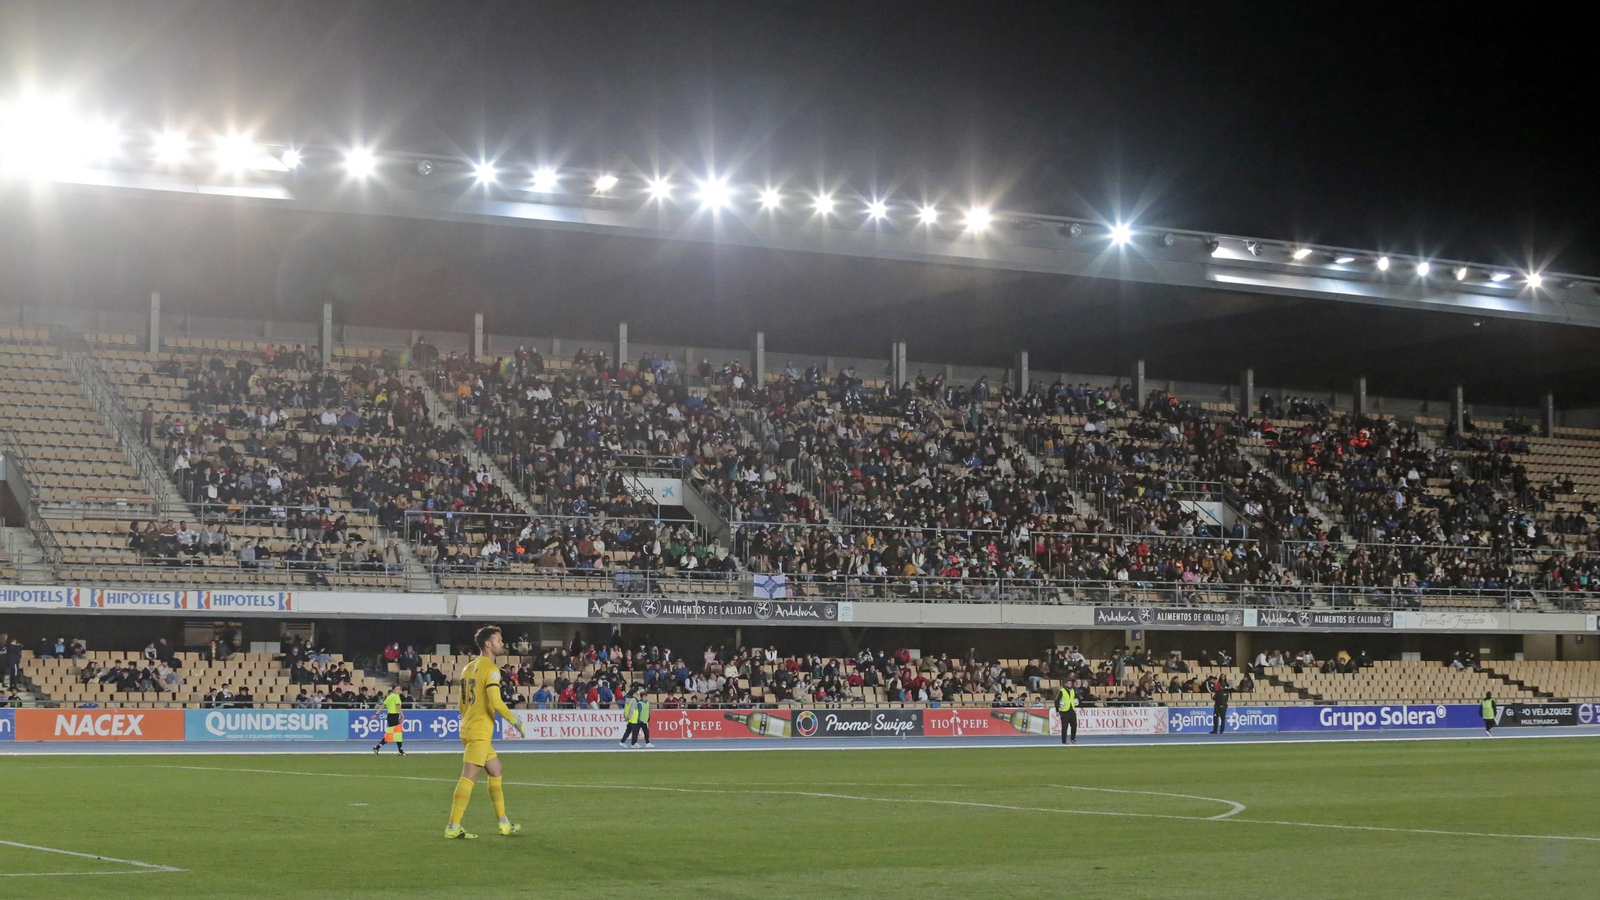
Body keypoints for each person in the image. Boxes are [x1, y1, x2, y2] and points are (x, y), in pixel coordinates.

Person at [445, 625, 525, 840]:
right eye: (499, 640)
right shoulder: (491, 669)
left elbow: (462, 703)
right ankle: (453, 825)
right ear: (488, 644)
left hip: (469, 727)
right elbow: (497, 703)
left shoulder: (468, 668)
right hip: (480, 731)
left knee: (496, 770)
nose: (502, 643)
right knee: (469, 777)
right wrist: (515, 721)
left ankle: (504, 823)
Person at [372, 686, 406, 755]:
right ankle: (400, 750)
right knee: (396, 734)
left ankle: (378, 747)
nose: (399, 690)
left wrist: (376, 714)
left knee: (395, 734)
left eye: (399, 689)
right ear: (393, 690)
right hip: (394, 716)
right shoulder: (396, 697)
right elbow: (398, 706)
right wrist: (402, 715)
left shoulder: (389, 696)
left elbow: (382, 706)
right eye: (397, 689)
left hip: (390, 716)